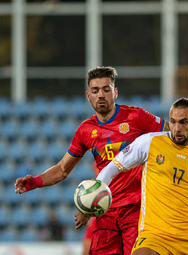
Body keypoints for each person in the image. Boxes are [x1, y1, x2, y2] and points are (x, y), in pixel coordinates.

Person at [14, 66, 169, 255]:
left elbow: (173, 135)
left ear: (115, 92)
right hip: (105, 211)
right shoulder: (85, 130)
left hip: (137, 210)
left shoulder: (136, 117)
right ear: (89, 96)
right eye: (95, 91)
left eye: (106, 89)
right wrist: (34, 182)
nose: (101, 95)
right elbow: (63, 169)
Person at [96, 98, 188, 255]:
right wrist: (95, 197)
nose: (177, 128)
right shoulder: (150, 142)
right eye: (173, 122)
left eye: (183, 122)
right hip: (156, 234)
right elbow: (111, 168)